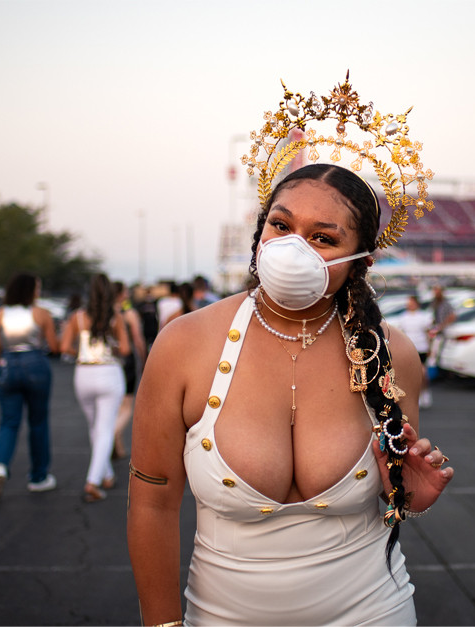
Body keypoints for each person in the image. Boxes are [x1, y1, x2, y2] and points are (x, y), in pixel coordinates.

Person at [129, 89, 453, 625]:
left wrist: (408, 497)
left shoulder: (392, 352)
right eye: (281, 226)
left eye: (322, 238)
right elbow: (152, 504)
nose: (292, 247)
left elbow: (397, 496)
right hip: (221, 615)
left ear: (360, 261)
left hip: (373, 609)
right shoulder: (185, 343)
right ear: (261, 230)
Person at [0, 273, 61, 501]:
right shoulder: (41, 314)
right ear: (31, 291)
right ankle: (38, 477)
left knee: (8, 422)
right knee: (38, 423)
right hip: (35, 365)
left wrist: (1, 373)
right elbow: (55, 347)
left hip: (7, 365)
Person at [60, 274, 133, 502]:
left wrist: (83, 353)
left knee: (95, 427)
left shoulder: (77, 318)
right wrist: (110, 347)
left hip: (83, 375)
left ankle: (107, 475)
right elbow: (126, 350)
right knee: (104, 428)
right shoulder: (116, 317)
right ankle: (93, 481)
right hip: (109, 374)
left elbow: (64, 347)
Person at [112, 281, 149, 461]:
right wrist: (144, 361)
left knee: (113, 406)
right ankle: (113, 433)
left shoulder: (103, 313)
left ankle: (117, 445)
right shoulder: (129, 314)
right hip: (127, 361)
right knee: (127, 405)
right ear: (120, 294)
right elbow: (138, 340)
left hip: (108, 362)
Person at [395, 296, 434, 408]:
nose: (410, 305)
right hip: (408, 348)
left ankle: (425, 393)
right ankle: (413, 396)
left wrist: (430, 347)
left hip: (421, 347)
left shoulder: (423, 316)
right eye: (408, 303)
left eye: (412, 303)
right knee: (407, 373)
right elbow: (400, 333)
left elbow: (429, 333)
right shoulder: (403, 317)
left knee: (422, 372)